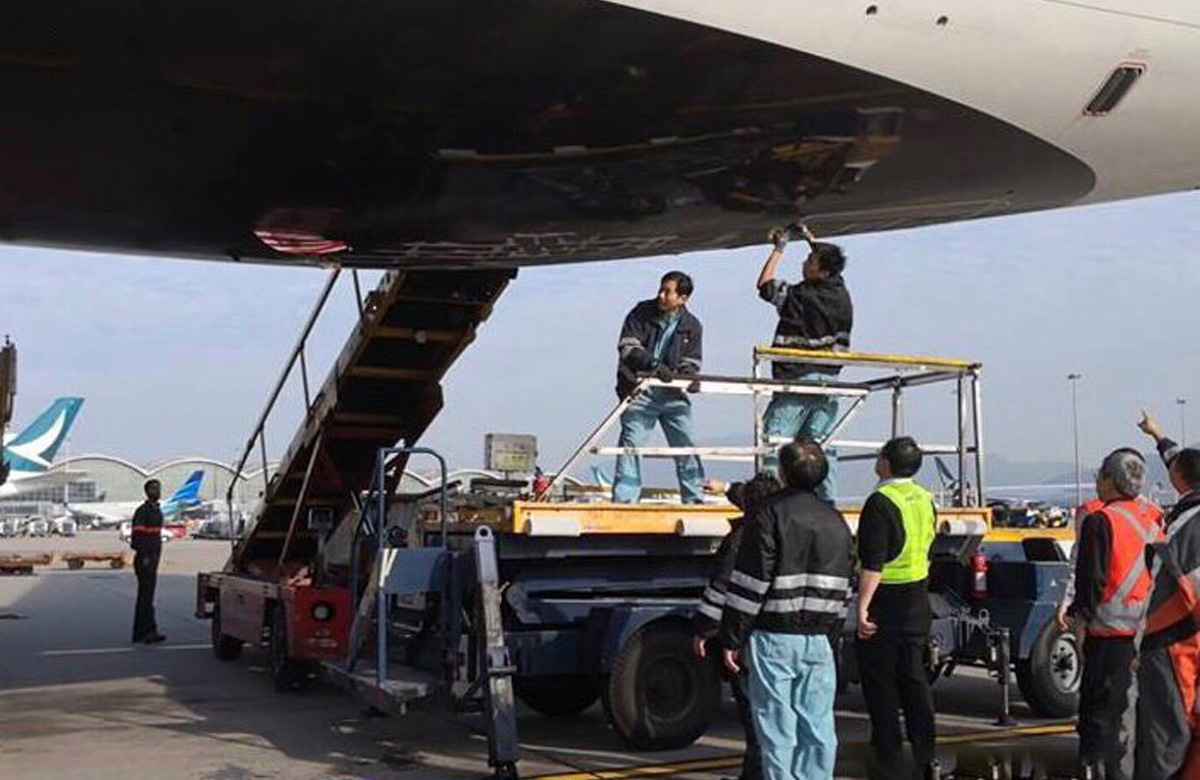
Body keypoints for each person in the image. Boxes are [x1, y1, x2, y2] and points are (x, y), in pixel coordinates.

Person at [719, 439, 853, 780]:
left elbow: (750, 583)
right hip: (819, 639)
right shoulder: (836, 521)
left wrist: (732, 638)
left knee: (777, 730)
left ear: (784, 471)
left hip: (773, 638)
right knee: (819, 727)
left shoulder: (768, 514)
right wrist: (832, 638)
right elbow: (843, 590)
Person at [1067, 449, 1162, 780]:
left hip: (1108, 634)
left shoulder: (1100, 520)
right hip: (1149, 634)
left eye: (1099, 476)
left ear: (1110, 481)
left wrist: (1080, 623)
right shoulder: (1153, 517)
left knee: (1098, 719)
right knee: (1135, 719)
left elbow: (1090, 580)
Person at [855, 437, 940, 780]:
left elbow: (873, 562)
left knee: (882, 685)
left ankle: (888, 756)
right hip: (917, 600)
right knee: (914, 678)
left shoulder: (880, 501)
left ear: (887, 463)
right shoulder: (925, 498)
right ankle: (926, 752)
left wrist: (862, 607)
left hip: (887, 601)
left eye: (879, 455)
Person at [694, 473, 783, 780]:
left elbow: (721, 589)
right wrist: (727, 487)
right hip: (777, 634)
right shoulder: (780, 531)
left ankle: (755, 775)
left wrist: (704, 630)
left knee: (753, 714)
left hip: (744, 639)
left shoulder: (741, 540)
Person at [756, 227, 853, 504]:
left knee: (776, 442)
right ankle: (827, 503)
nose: (804, 263)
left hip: (797, 378)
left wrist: (779, 248)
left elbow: (765, 285)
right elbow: (833, 266)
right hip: (829, 382)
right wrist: (810, 238)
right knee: (820, 447)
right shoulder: (840, 294)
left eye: (810, 261)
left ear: (821, 272)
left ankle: (769, 498)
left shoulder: (801, 296)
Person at [1132, 411, 1200, 779]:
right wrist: (1157, 434)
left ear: (1177, 480)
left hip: (1176, 641)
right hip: (1180, 637)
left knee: (1166, 734)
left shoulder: (1189, 528)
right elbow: (1180, 462)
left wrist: (1143, 640)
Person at [613, 271, 704, 503]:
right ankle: (625, 500)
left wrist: (689, 377)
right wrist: (652, 365)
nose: (661, 295)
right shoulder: (641, 313)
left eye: (667, 292)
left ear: (682, 298)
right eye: (661, 289)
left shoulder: (692, 326)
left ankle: (695, 498)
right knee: (631, 443)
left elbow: (692, 361)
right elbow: (627, 347)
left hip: (672, 394)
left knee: (685, 444)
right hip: (640, 390)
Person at [130, 479, 166, 644]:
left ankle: (147, 631)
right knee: (145, 596)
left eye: (158, 488)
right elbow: (137, 537)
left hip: (153, 556)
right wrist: (144, 556)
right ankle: (144, 632)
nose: (157, 491)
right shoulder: (143, 511)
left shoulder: (157, 510)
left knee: (148, 596)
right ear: (147, 491)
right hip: (145, 557)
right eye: (153, 489)